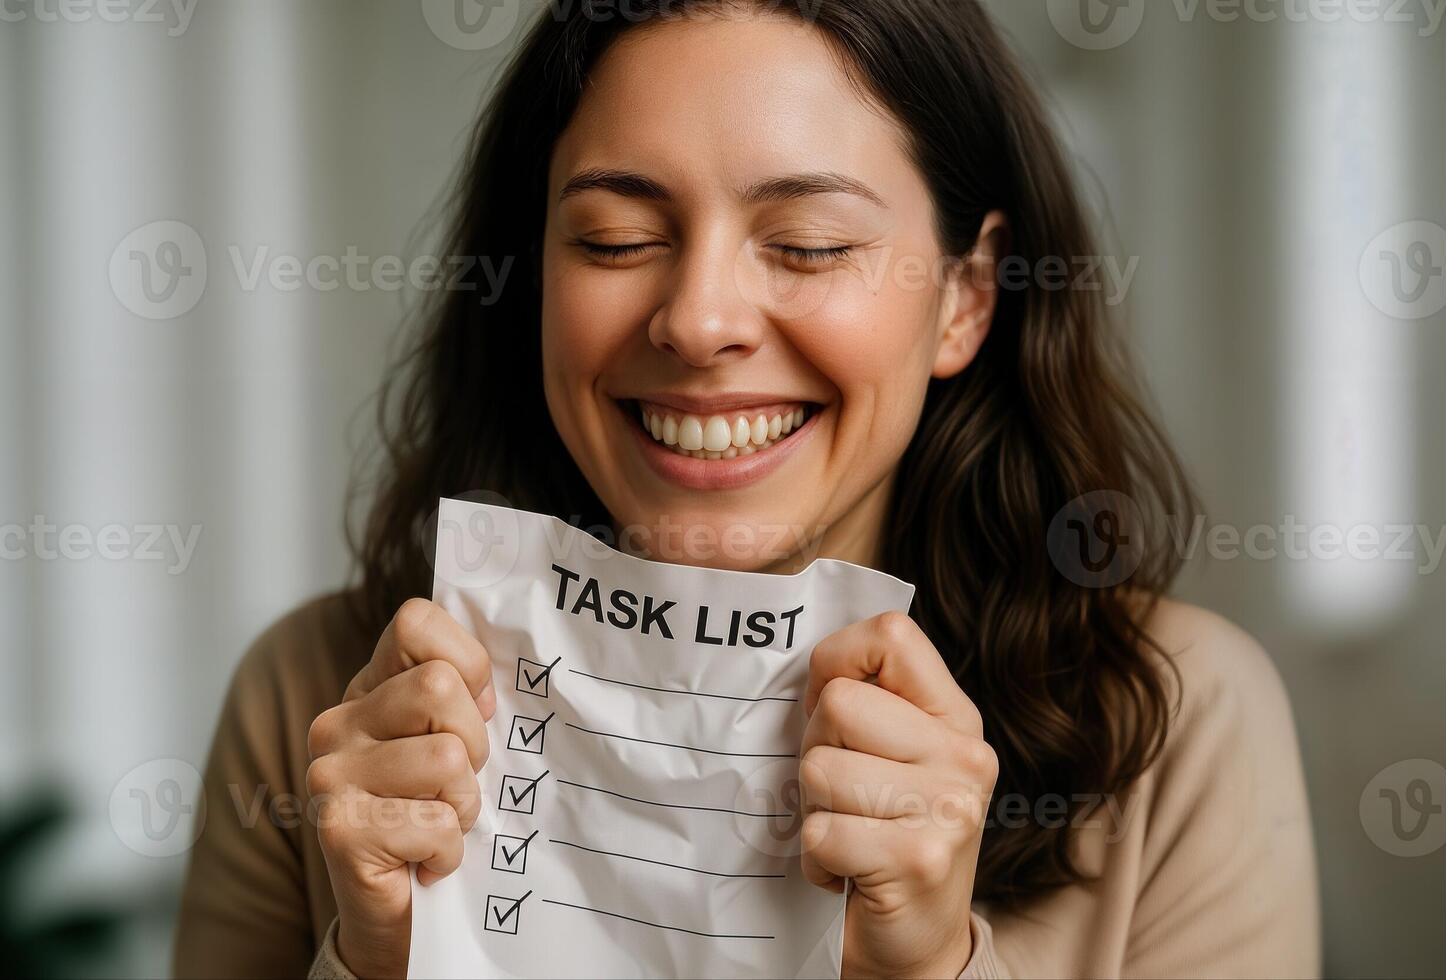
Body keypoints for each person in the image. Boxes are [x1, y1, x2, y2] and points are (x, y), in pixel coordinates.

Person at [173, 1, 1320, 977]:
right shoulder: (313, 700)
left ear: (965, 296)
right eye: (616, 238)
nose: (699, 320)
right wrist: (375, 955)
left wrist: (929, 966)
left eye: (812, 243)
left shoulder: (1177, 717)